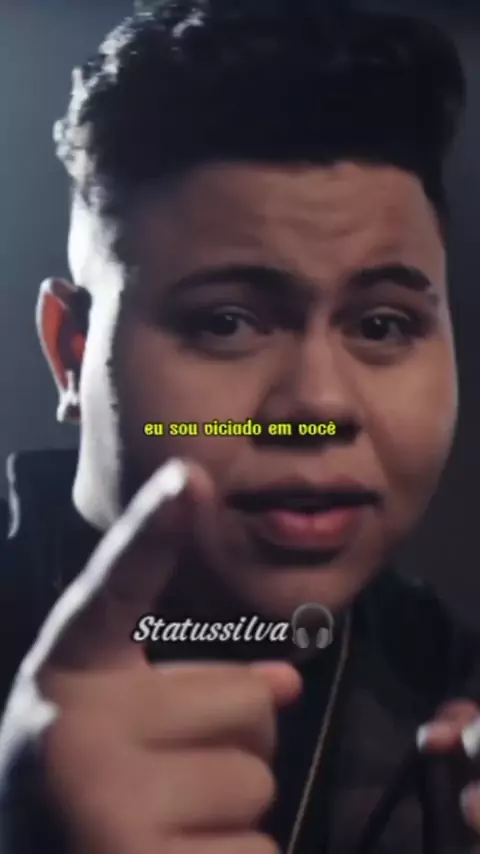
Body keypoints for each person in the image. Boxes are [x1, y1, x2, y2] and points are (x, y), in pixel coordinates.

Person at [1, 1, 480, 852]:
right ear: (71, 353)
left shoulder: (452, 688)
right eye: (225, 322)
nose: (320, 410)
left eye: (382, 325)